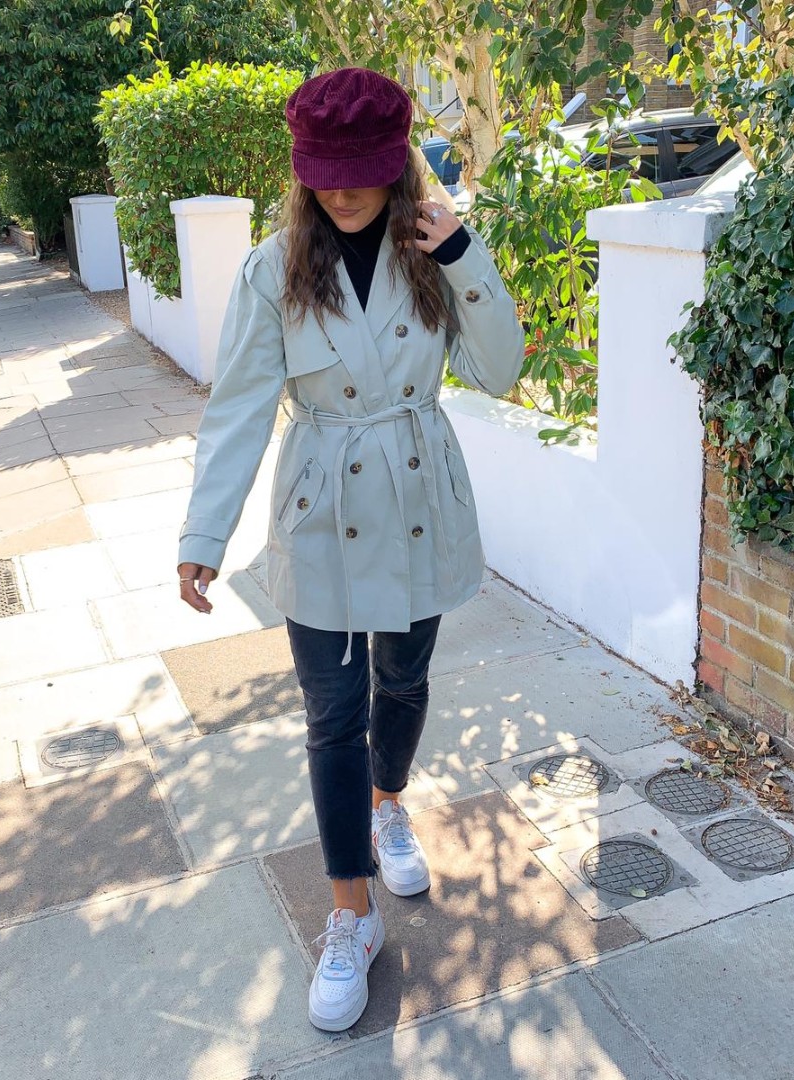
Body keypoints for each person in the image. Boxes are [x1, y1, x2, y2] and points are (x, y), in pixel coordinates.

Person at [176, 67, 523, 1033]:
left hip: (417, 497)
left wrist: (464, 251)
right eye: (323, 171)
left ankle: (388, 801)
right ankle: (350, 914)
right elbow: (240, 409)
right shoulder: (274, 264)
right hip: (320, 512)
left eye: (360, 169)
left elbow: (499, 370)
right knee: (332, 713)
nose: (341, 189)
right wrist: (204, 536)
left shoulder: (433, 247)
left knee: (402, 687)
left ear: (396, 161)